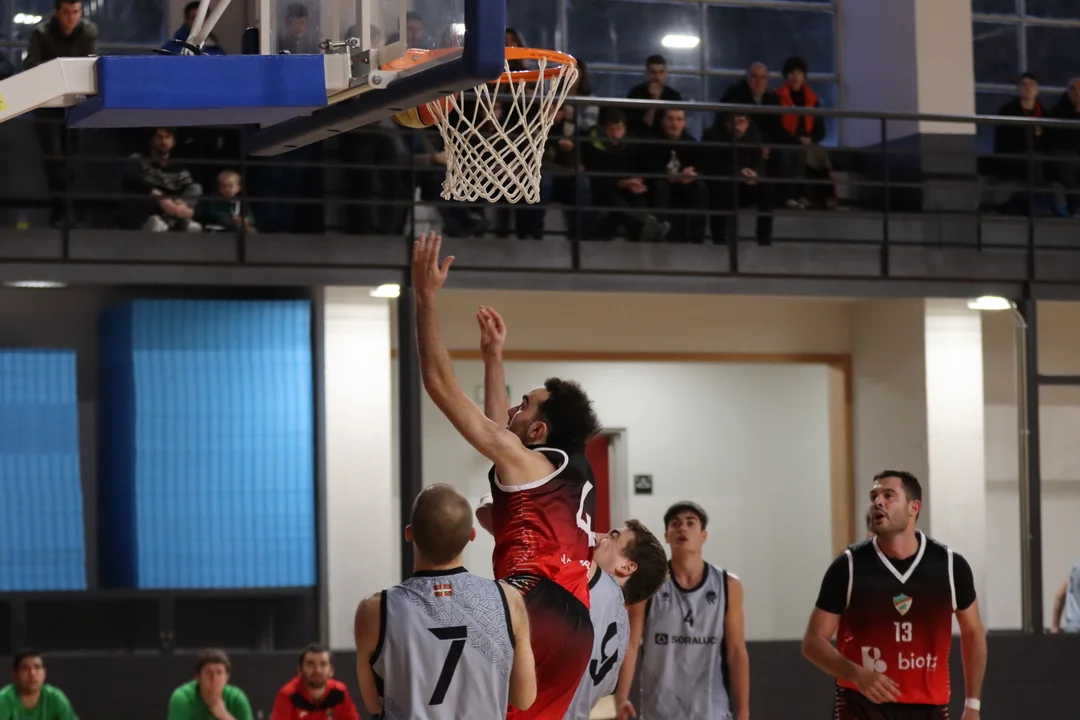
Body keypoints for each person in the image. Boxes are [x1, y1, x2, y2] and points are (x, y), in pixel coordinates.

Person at [412, 232, 602, 720]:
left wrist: (425, 299)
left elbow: (439, 385)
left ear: (538, 431)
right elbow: (502, 436)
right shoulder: (572, 469)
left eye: (525, 404)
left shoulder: (530, 462)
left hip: (530, 605)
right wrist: (493, 358)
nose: (515, 408)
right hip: (577, 626)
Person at [802, 471, 987, 720]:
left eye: (888, 495)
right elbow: (813, 642)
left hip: (928, 708)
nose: (877, 502)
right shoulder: (848, 566)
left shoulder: (951, 566)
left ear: (914, 507)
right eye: (874, 496)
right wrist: (857, 674)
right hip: (862, 706)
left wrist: (973, 705)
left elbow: (973, 631)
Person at [354, 483, 536, 718]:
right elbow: (524, 698)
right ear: (472, 535)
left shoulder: (374, 611)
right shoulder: (508, 600)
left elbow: (373, 704)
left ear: (409, 534)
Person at [619, 501, 750, 720]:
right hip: (659, 712)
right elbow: (631, 643)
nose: (682, 528)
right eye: (675, 524)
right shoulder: (649, 584)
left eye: (691, 523)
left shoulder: (728, 586)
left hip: (711, 711)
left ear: (703, 535)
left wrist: (744, 711)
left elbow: (737, 651)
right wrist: (622, 696)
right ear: (666, 536)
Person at [563, 521, 669, 720]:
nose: (600, 537)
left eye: (612, 537)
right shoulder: (623, 632)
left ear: (627, 567)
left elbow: (561, 531)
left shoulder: (599, 584)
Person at [270, 644, 360, 720]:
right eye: (310, 664)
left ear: (331, 671)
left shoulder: (339, 692)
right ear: (300, 670)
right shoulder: (288, 694)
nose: (317, 670)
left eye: (323, 664)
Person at [167, 649, 254, 720]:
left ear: (227, 677)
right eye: (208, 673)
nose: (214, 678)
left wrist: (224, 716)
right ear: (197, 677)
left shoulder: (236, 698)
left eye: (219, 672)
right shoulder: (183, 697)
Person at [0, 650, 77, 720]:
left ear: (44, 673)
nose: (32, 673)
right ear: (15, 674)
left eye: (37, 667)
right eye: (25, 668)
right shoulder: (4, 699)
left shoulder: (55, 698)